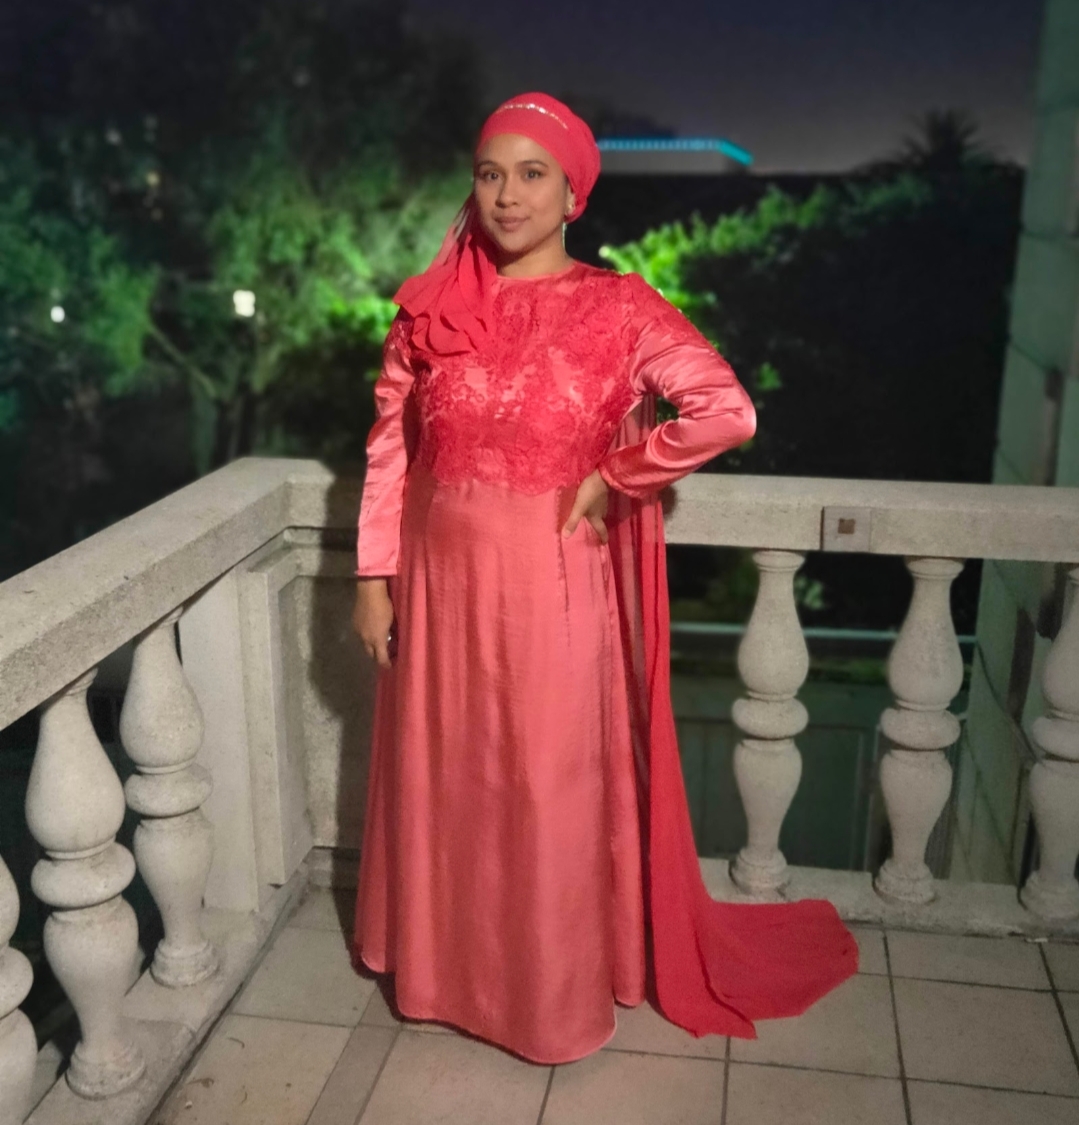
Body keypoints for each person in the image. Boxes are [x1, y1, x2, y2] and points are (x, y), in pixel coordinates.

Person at [351, 92, 857, 1064]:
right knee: (447, 783)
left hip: (551, 589)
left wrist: (617, 474)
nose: (507, 195)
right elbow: (388, 449)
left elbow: (725, 411)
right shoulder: (431, 306)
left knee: (541, 788)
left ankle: (543, 1001)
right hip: (439, 587)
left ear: (573, 194)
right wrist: (373, 578)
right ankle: (444, 975)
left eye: (531, 174)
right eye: (490, 174)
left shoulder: (618, 307)